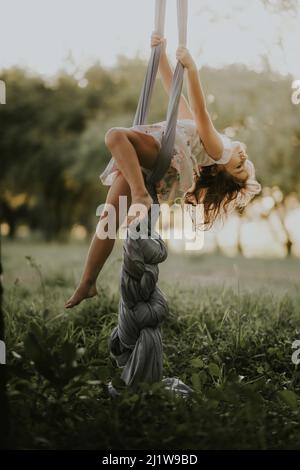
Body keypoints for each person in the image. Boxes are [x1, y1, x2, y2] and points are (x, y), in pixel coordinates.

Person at [65, 33, 261, 309]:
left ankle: (139, 195)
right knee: (109, 220)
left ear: (220, 171)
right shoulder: (200, 138)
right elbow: (174, 92)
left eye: (239, 166)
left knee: (115, 136)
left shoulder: (218, 150)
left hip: (164, 155)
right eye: (245, 160)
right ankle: (88, 281)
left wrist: (193, 69)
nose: (241, 156)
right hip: (146, 163)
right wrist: (161, 56)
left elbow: (202, 111)